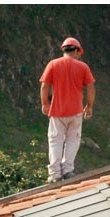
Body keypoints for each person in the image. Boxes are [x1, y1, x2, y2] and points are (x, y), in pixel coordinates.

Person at [39, 37, 96, 183]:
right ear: (76, 51)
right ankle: (68, 170)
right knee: (73, 140)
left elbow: (44, 86)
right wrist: (89, 106)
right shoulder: (83, 67)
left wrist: (45, 104)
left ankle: (55, 174)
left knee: (55, 141)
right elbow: (90, 87)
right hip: (76, 111)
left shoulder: (53, 64)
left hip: (57, 111)